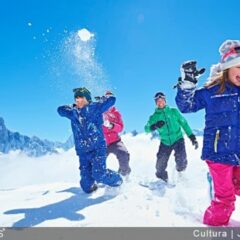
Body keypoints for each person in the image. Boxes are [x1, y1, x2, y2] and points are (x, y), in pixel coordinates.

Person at [175, 39, 240, 226]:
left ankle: (216, 185)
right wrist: (188, 84)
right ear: (227, 67)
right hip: (218, 154)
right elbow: (187, 106)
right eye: (238, 66)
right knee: (225, 201)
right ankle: (213, 228)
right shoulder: (212, 92)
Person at [57, 87, 122, 194]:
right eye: (77, 100)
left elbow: (112, 100)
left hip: (97, 148)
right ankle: (93, 190)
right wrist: (71, 107)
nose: (79, 102)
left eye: (82, 99)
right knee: (86, 185)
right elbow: (60, 110)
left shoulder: (95, 108)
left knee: (99, 174)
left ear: (88, 99)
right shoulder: (73, 113)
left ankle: (118, 180)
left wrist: (107, 96)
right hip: (83, 152)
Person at [144, 92, 198, 183]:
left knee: (181, 159)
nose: (160, 103)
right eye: (158, 101)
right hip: (165, 142)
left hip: (178, 139)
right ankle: (162, 182)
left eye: (161, 101)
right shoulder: (154, 117)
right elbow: (146, 129)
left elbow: (184, 123)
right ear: (156, 103)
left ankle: (181, 176)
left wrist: (192, 136)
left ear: (165, 101)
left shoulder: (173, 111)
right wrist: (154, 126)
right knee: (160, 166)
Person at [95, 92, 131, 177]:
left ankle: (124, 175)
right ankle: (99, 178)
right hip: (102, 143)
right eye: (106, 99)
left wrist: (111, 125)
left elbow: (121, 127)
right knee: (97, 160)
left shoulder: (116, 113)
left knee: (123, 154)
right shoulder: (99, 111)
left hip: (115, 141)